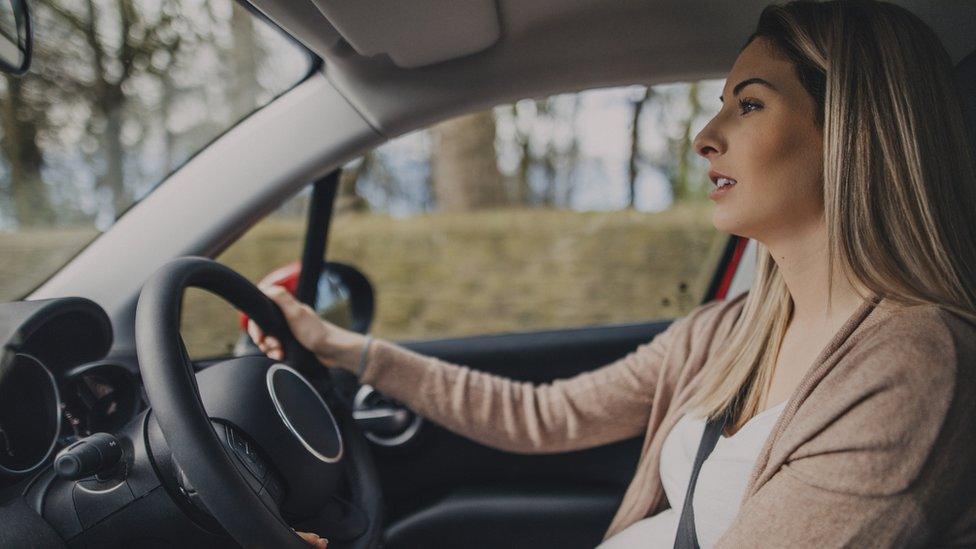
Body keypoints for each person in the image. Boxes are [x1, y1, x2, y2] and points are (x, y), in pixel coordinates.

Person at [249, 0, 976, 546]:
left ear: (850, 132)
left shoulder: (914, 362)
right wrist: (347, 349)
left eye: (749, 103)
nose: (704, 136)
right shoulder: (730, 331)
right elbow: (544, 415)